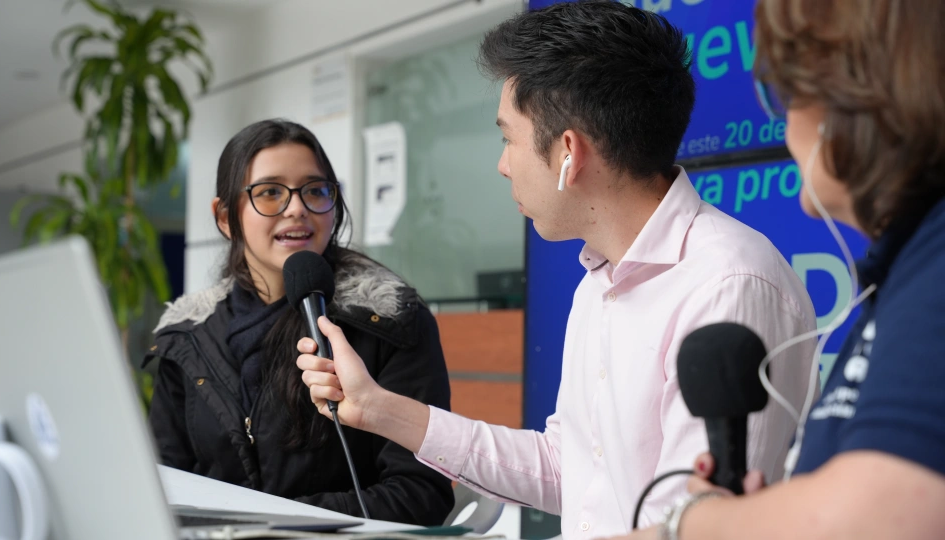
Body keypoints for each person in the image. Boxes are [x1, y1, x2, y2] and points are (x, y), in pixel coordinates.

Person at [297, 2, 818, 537]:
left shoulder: (728, 285)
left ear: (569, 152)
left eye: (507, 137)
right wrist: (378, 409)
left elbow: (697, 528)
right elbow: (568, 468)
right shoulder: (600, 280)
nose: (502, 164)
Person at [618, 0, 945, 538]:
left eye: (790, 97)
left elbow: (881, 517)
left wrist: (692, 524)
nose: (788, 127)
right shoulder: (903, 274)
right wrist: (767, 516)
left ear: (852, 102)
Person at [144, 119, 454, 525]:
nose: (297, 208)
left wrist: (268, 525)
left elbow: (420, 494)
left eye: (314, 190)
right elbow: (161, 484)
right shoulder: (185, 337)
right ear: (224, 217)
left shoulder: (390, 322)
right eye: (270, 192)